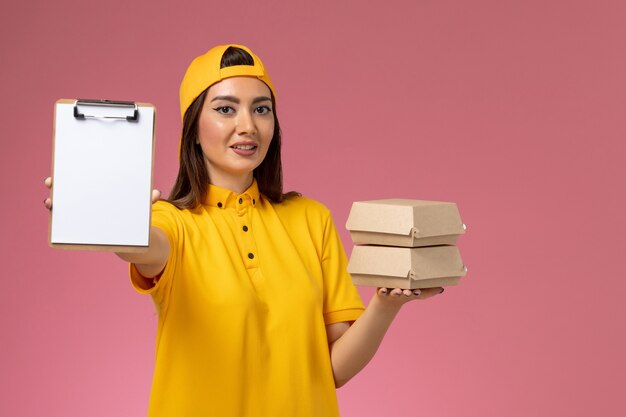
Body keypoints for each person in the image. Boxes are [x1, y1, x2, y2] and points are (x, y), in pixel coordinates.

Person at [45, 44, 444, 417]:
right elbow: (145, 247)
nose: (247, 125)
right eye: (225, 109)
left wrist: (386, 304)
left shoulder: (311, 220)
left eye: (261, 109)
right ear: (193, 127)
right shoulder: (172, 222)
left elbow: (333, 369)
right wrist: (106, 215)